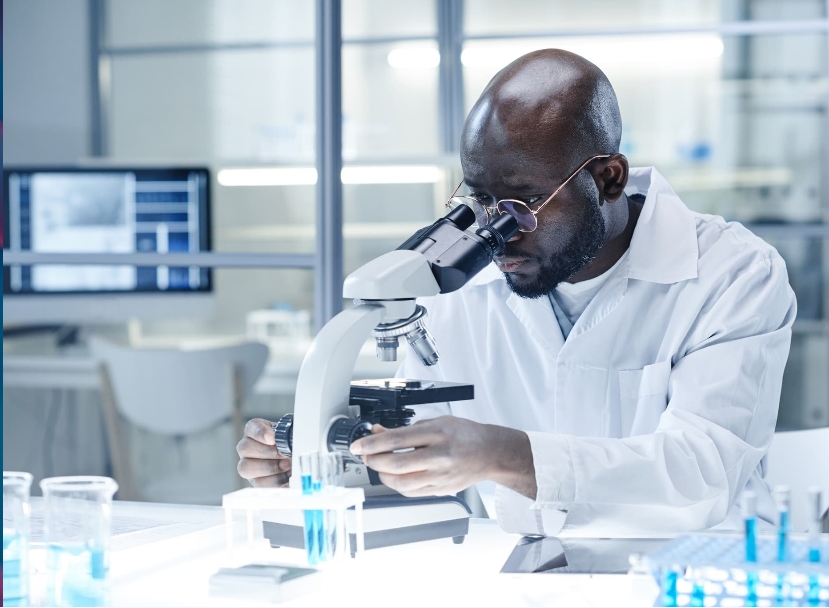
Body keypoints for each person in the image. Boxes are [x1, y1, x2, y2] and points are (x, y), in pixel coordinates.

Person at [237, 48, 796, 537]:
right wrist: (325, 465)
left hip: (696, 573)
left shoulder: (733, 274)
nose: (495, 232)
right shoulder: (458, 283)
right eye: (480, 200)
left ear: (608, 179)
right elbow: (419, 463)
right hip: (521, 570)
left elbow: (702, 473)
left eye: (521, 204)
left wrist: (504, 454)